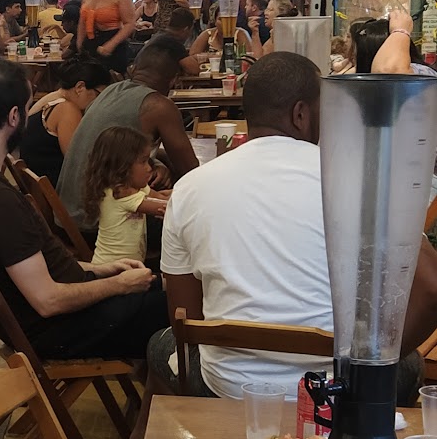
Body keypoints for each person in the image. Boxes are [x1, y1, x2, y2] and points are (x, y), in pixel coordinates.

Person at [147, 51, 436, 400]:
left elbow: (186, 318)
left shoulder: (189, 188)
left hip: (227, 388)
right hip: (337, 392)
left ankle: (159, 431)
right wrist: (371, 365)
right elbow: (431, 288)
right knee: (407, 363)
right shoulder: (361, 178)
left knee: (161, 345)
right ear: (300, 114)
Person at [0, 60, 168, 439]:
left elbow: (28, 266)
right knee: (182, 309)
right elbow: (47, 301)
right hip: (57, 331)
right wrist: (118, 284)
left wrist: (100, 269)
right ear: (14, 117)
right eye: (29, 106)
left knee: (163, 292)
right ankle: (153, 432)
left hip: (37, 320)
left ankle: (149, 419)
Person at [57, 36, 198, 231]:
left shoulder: (110, 91)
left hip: (66, 217)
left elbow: (110, 150)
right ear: (174, 79)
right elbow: (191, 172)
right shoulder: (159, 105)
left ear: (133, 68)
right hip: (98, 225)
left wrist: (157, 162)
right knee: (192, 222)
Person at [84, 125, 168, 266]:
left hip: (129, 266)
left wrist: (175, 194)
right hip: (112, 268)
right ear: (122, 166)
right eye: (143, 162)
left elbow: (159, 198)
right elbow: (165, 207)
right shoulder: (120, 193)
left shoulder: (134, 186)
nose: (149, 168)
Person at [20, 56, 111, 184]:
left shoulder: (51, 99)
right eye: (99, 94)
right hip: (56, 189)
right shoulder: (67, 110)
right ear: (80, 87)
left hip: (36, 185)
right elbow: (78, 163)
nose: (100, 101)